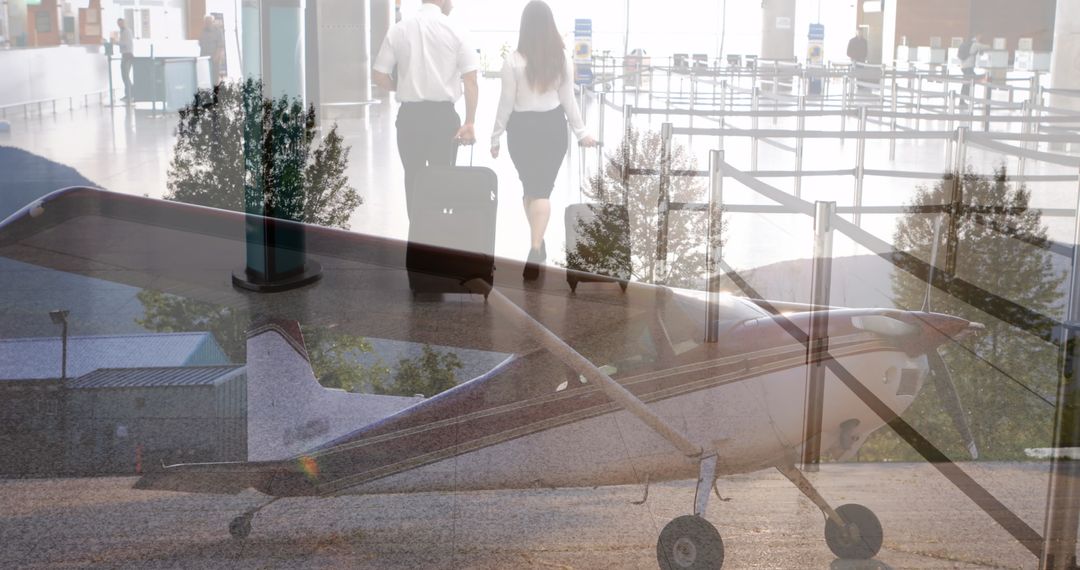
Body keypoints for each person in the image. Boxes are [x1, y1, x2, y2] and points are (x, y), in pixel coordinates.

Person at [490, 0, 597, 280]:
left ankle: (536, 246)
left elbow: (506, 103)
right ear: (550, 25)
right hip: (552, 129)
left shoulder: (513, 60)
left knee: (531, 189)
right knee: (540, 190)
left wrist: (496, 136)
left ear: (524, 26)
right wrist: (582, 132)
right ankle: (537, 243)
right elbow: (568, 100)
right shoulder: (561, 59)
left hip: (522, 130)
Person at [372, 0, 479, 223]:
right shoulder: (457, 30)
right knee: (442, 177)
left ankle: (418, 233)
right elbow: (470, 81)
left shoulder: (399, 29)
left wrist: (400, 87)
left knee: (413, 177)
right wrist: (469, 122)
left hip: (410, 118)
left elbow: (380, 76)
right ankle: (438, 234)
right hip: (444, 119)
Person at [958, 33, 986, 107]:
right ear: (977, 36)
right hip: (968, 67)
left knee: (967, 83)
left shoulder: (968, 43)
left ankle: (964, 100)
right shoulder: (975, 44)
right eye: (980, 36)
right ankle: (965, 100)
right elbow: (984, 47)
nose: (981, 38)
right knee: (970, 82)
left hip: (964, 66)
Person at [198, 16, 223, 84]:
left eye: (209, 22)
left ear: (213, 22)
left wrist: (216, 56)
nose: (207, 24)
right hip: (204, 58)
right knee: (205, 76)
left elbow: (220, 46)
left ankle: (215, 91)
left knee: (214, 77)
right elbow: (200, 43)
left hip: (214, 58)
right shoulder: (203, 31)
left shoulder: (218, 31)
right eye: (206, 22)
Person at [117, 18, 134, 103]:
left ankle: (130, 94)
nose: (119, 25)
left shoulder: (127, 31)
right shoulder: (122, 31)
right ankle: (128, 94)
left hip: (127, 55)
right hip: (124, 55)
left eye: (121, 23)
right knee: (124, 76)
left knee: (126, 75)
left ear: (124, 23)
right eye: (118, 24)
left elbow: (126, 43)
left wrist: (117, 42)